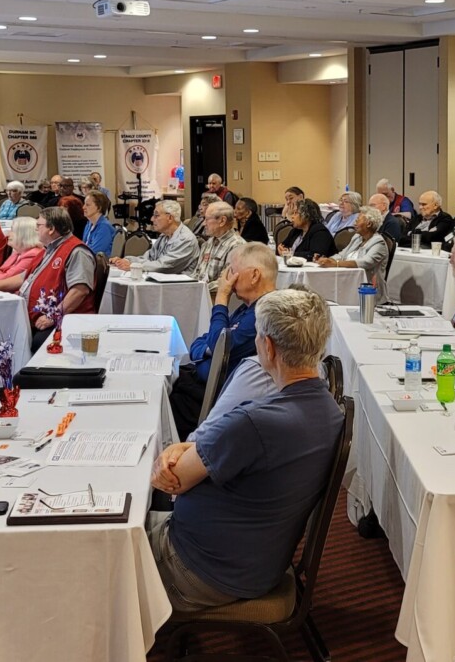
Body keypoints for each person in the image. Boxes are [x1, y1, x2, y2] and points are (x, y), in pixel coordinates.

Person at [149, 287, 342, 613]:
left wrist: (175, 454)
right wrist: (187, 447)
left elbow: (174, 480)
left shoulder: (255, 422)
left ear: (267, 346)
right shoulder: (329, 410)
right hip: (254, 563)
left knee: (99, 550)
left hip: (199, 569)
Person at [168, 242, 278, 441]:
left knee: (167, 400)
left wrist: (221, 296)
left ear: (254, 275)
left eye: (232, 271)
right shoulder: (248, 308)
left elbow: (219, 345)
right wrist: (208, 348)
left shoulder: (263, 313)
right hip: (201, 382)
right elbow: (204, 341)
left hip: (215, 398)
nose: (225, 279)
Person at [0, 207, 95, 350]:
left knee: (24, 340)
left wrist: (52, 316)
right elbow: (25, 277)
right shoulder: (50, 249)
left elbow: (80, 290)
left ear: (51, 229)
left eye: (38, 226)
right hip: (36, 316)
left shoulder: (77, 252)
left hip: (65, 320)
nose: (35, 230)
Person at [317, 206, 389, 303]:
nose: (355, 222)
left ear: (368, 224)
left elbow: (365, 262)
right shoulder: (357, 237)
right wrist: (327, 259)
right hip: (348, 284)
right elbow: (342, 255)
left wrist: (335, 264)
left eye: (358, 219)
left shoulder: (379, 243)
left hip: (369, 291)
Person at [110, 200, 198, 274]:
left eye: (156, 215)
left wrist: (133, 266)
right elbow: (148, 258)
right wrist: (126, 261)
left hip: (179, 288)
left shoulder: (186, 239)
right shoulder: (164, 236)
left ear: (170, 218)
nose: (152, 219)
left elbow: (164, 266)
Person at [192, 201, 245, 294]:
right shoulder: (209, 242)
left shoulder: (237, 246)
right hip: (200, 294)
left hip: (216, 299)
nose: (204, 224)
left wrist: (199, 289)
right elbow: (197, 273)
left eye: (207, 219)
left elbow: (227, 282)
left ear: (222, 221)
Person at [0, 216, 44, 282]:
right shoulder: (18, 252)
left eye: (12, 230)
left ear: (24, 235)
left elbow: (5, 279)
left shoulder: (32, 256)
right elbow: (0, 271)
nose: (8, 234)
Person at [81, 191, 115, 257]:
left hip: (99, 264)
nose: (83, 207)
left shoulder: (104, 227)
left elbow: (95, 251)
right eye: (84, 204)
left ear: (99, 208)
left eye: (87, 205)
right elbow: (83, 246)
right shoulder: (88, 224)